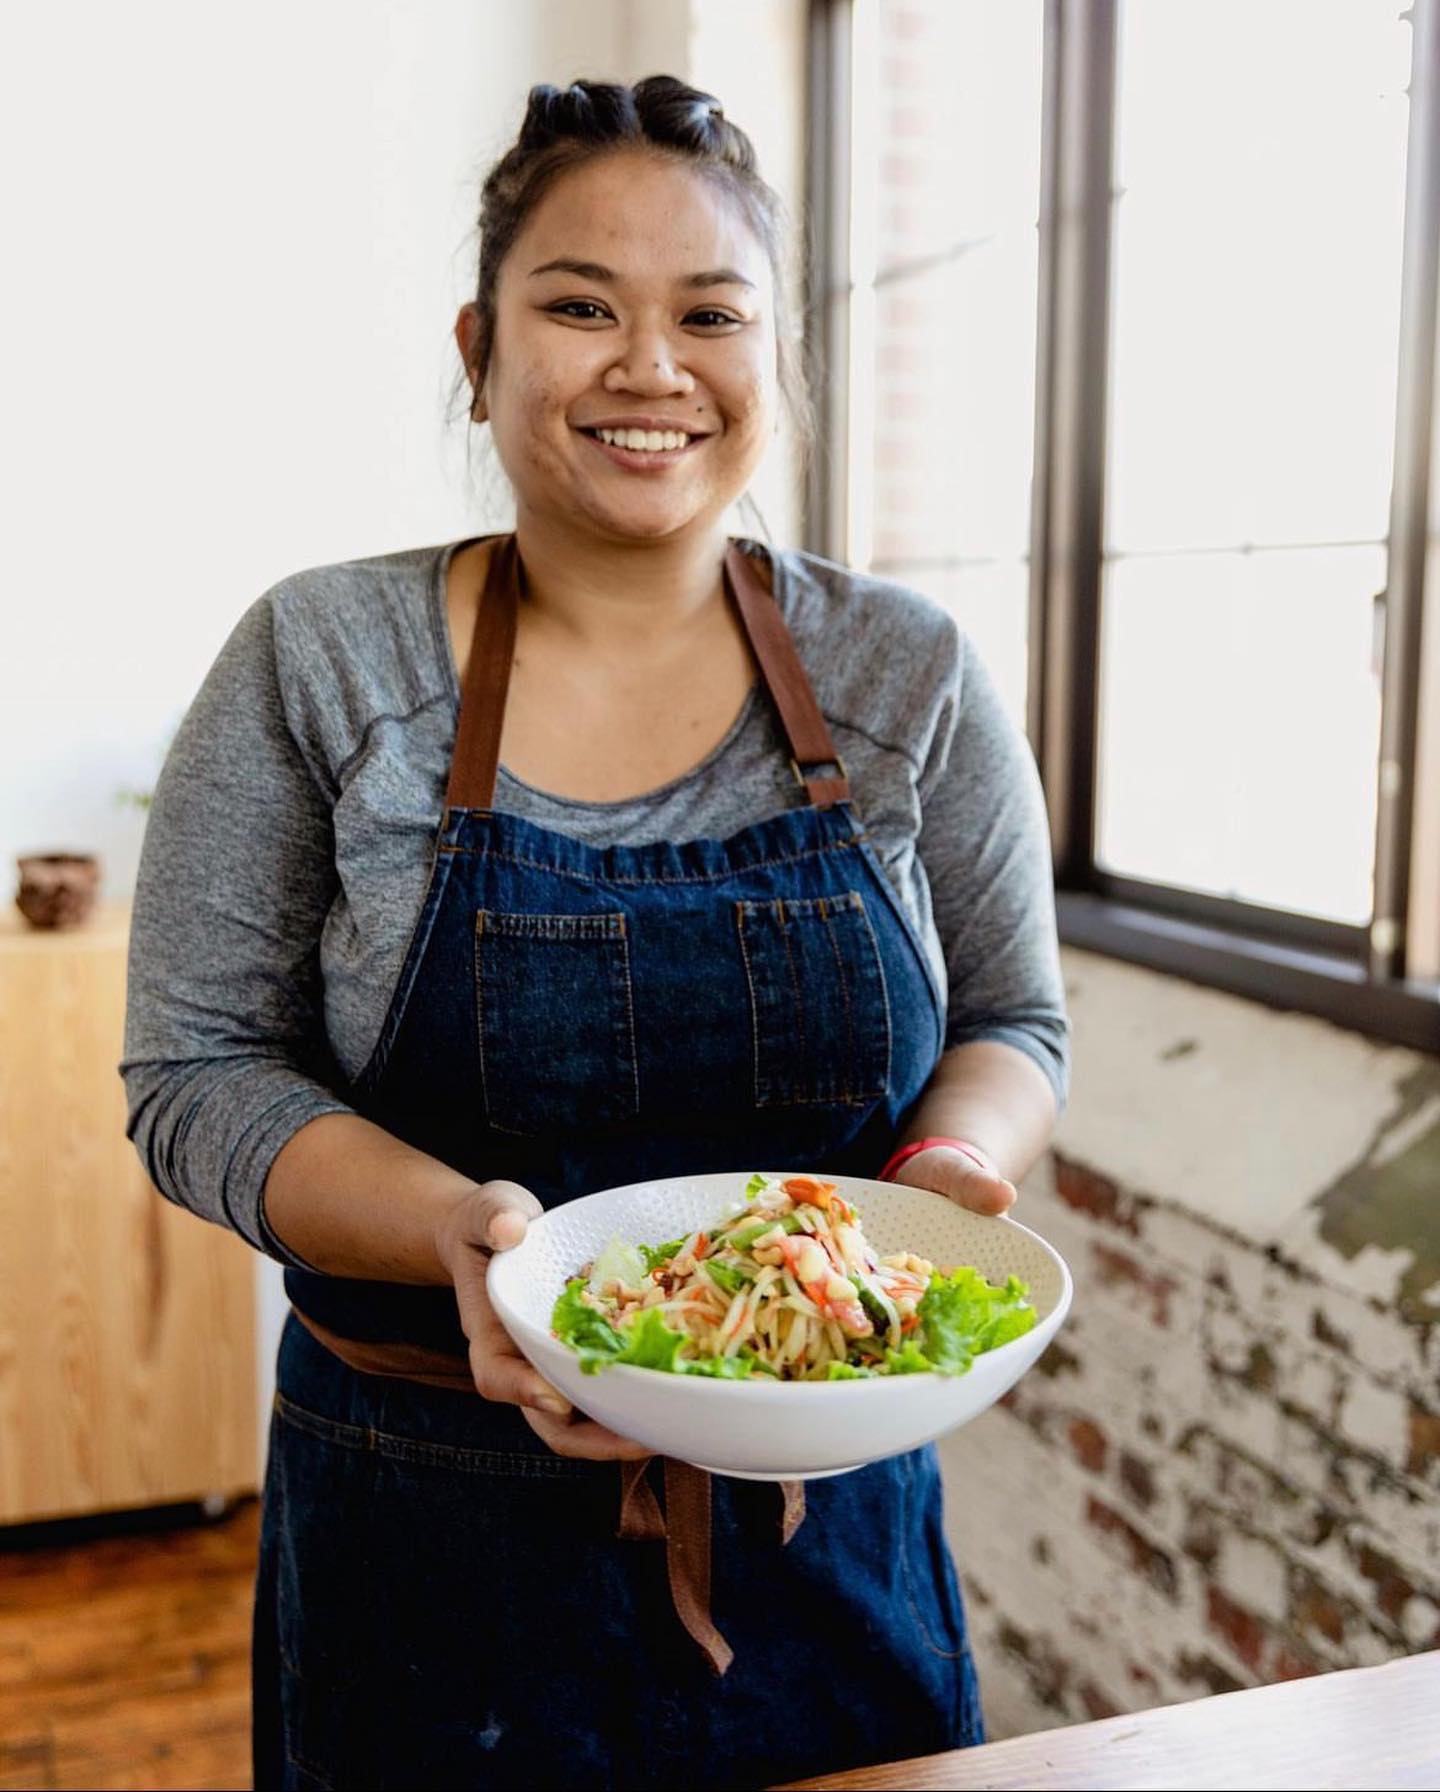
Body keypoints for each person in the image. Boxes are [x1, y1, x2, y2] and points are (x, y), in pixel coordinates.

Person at [122, 74, 1069, 1792]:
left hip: (823, 1531)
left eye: (712, 314)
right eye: (581, 306)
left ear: (776, 364)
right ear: (481, 348)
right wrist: (455, 1232)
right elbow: (191, 1075)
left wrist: (948, 1169)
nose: (651, 367)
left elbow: (1018, 1019)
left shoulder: (905, 669)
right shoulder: (322, 660)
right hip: (421, 1519)